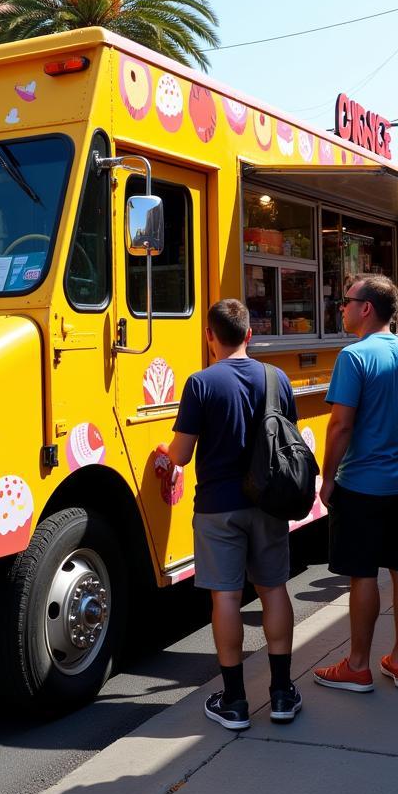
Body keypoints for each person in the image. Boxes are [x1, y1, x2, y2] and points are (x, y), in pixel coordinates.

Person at [158, 299, 301, 730]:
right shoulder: (276, 379)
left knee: (226, 598)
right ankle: (280, 694)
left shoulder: (201, 383)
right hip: (269, 501)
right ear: (249, 335)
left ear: (209, 336)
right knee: (274, 589)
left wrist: (164, 453)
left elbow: (181, 454)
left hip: (218, 507)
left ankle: (235, 701)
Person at [313, 276, 398, 692]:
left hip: (361, 484)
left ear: (366, 308)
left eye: (346, 301)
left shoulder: (353, 356)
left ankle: (358, 665)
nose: (341, 307)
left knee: (362, 575)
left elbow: (340, 426)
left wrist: (327, 479)